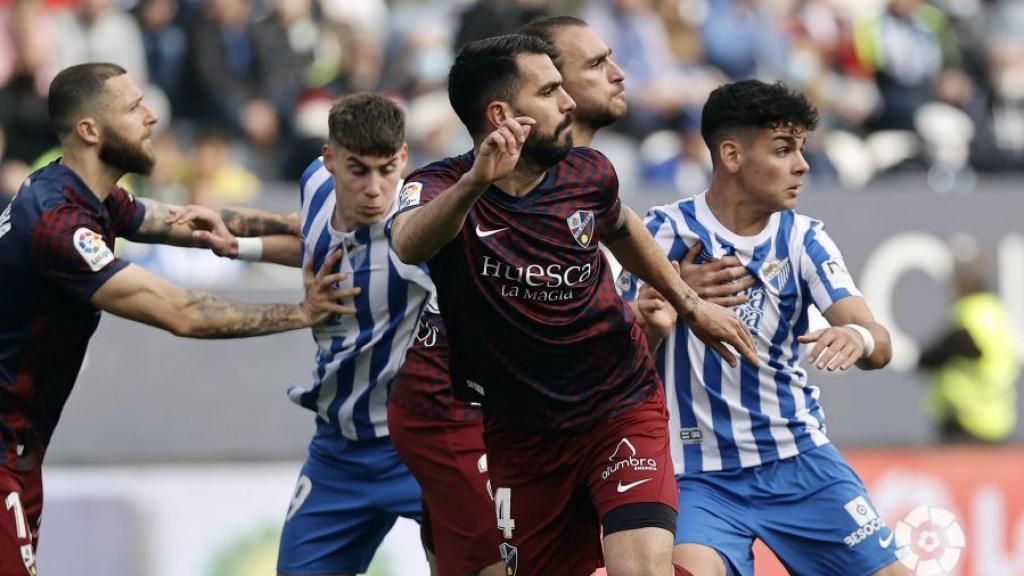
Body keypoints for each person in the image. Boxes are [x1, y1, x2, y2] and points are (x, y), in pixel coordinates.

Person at [389, 34, 757, 576]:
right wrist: (474, 184)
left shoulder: (589, 172)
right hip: (521, 432)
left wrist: (692, 305)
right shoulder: (439, 186)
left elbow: (622, 224)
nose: (568, 103)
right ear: (501, 114)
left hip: (618, 405)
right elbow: (407, 243)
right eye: (550, 91)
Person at [0, 62, 353, 576]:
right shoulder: (58, 225)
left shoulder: (77, 193)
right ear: (90, 130)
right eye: (133, 107)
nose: (151, 118)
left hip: (19, 448)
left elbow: (183, 221)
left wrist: (298, 224)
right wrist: (301, 311)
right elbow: (183, 313)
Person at [619, 79, 904, 576]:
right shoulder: (663, 232)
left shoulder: (804, 239)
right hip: (697, 476)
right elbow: (618, 361)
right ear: (730, 154)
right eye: (783, 149)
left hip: (798, 460)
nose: (802, 165)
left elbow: (879, 343)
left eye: (800, 149)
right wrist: (669, 308)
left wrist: (855, 337)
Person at [173, 92, 437, 576]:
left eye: (387, 169)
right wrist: (243, 247)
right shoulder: (314, 185)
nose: (375, 189)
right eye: (358, 170)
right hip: (338, 449)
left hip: (421, 451)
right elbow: (313, 239)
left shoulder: (422, 232)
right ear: (329, 161)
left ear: (404, 159)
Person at [917, 239, 1019, 443]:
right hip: (998, 422)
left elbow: (949, 350)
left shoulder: (969, 314)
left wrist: (926, 358)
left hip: (966, 422)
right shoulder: (996, 312)